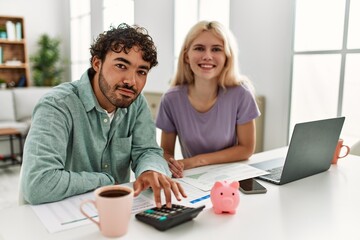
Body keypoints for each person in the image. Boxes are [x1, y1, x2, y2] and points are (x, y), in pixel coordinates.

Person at [20, 23, 186, 207]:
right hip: (57, 215)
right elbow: (38, 184)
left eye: (141, 72)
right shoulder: (57, 105)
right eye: (121, 65)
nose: (131, 81)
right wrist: (104, 180)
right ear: (97, 63)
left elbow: (147, 151)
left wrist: (150, 169)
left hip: (114, 210)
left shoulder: (136, 103)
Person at [156, 21, 260, 178]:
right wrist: (173, 165)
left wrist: (197, 161)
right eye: (199, 48)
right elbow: (167, 152)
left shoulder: (241, 94)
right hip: (192, 179)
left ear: (227, 56)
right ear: (186, 56)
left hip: (230, 177)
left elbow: (246, 149)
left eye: (216, 49)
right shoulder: (171, 99)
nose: (207, 56)